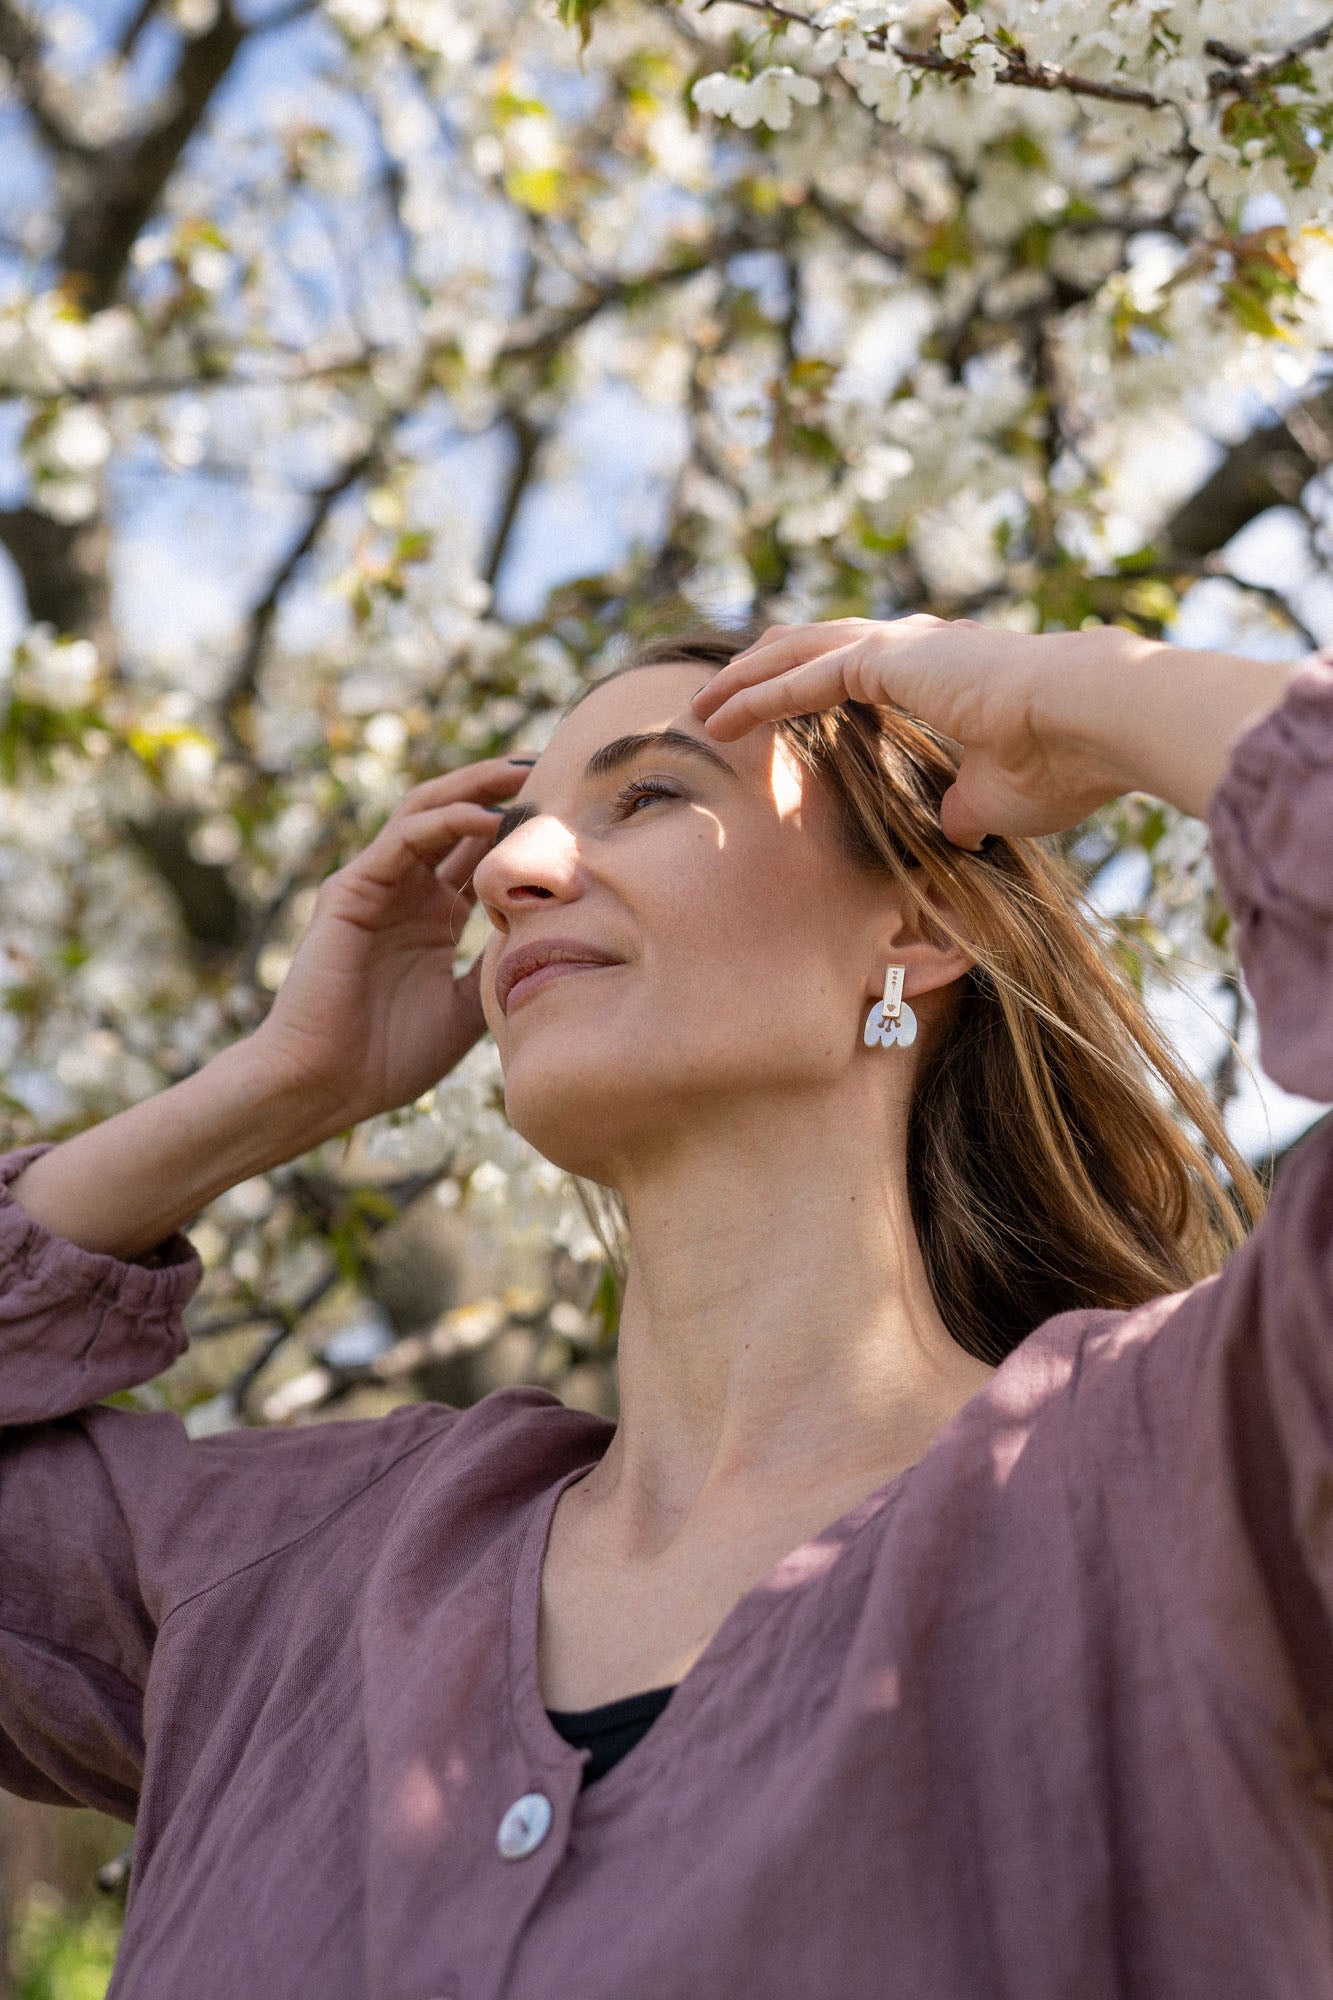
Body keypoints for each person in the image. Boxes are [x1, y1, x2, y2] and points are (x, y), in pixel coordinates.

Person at [0, 613, 1328, 2000]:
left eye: (647, 796)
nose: (509, 869)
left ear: (918, 924)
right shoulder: (295, 1573)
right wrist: (272, 1089)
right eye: (508, 831)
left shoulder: (1188, 1471)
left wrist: (1078, 694)